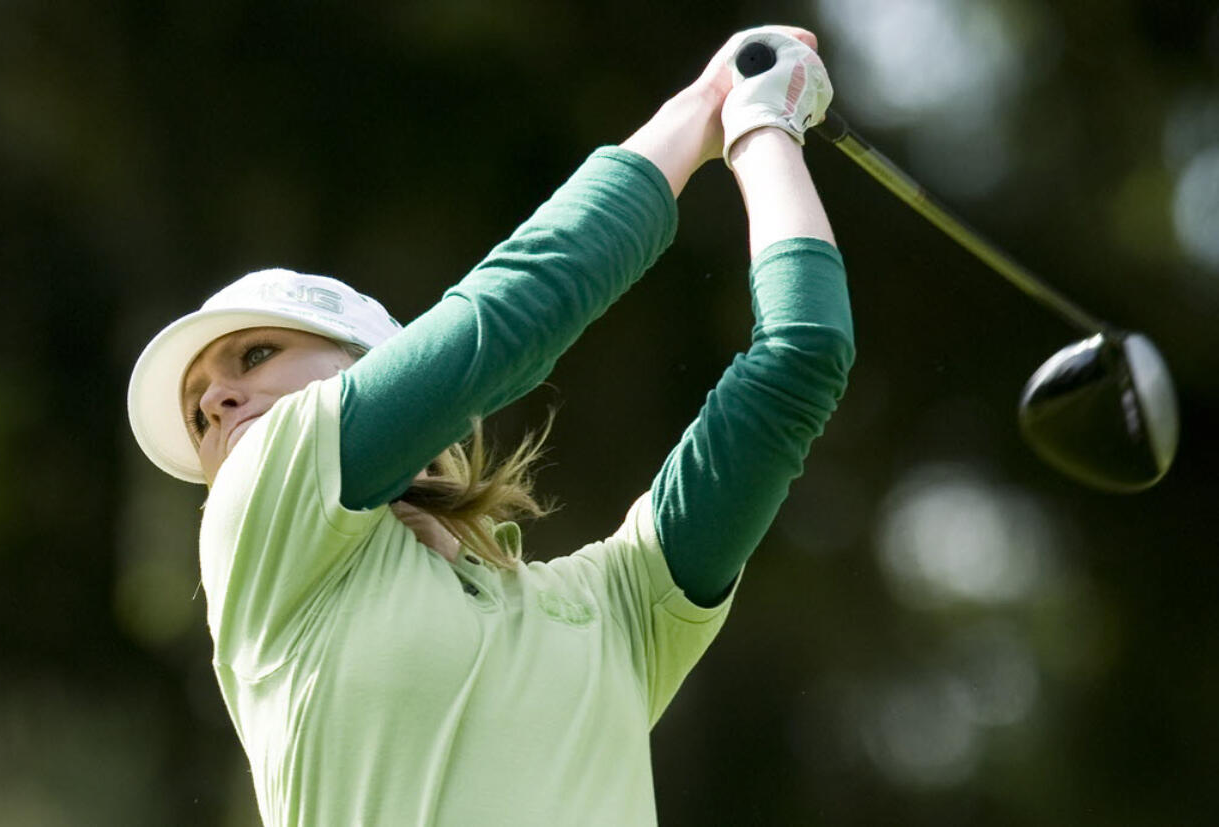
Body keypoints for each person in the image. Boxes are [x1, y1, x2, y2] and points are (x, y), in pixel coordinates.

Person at [126, 25, 854, 826]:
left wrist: (762, 130)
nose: (217, 402)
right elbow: (514, 318)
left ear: (372, 364)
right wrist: (702, 104)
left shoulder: (615, 610)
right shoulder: (258, 517)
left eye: (255, 354)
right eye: (197, 408)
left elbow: (800, 361)